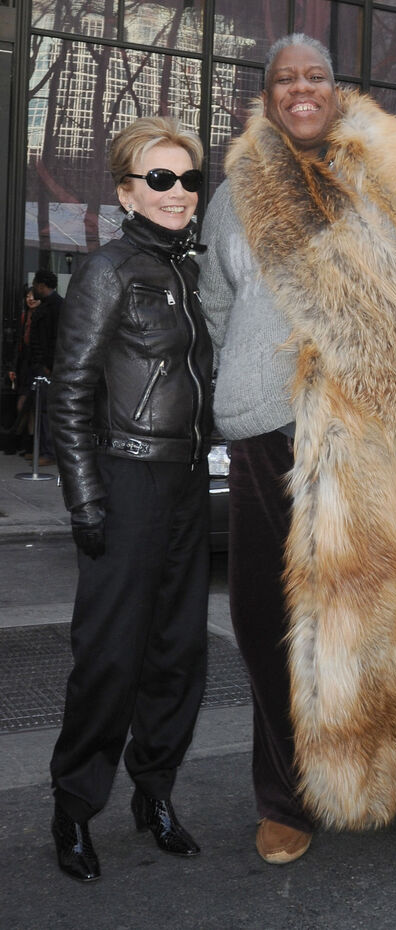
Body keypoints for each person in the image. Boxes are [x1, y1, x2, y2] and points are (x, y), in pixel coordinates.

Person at [198, 33, 396, 865]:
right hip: (266, 440)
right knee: (271, 629)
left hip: (386, 440)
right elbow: (213, 304)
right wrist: (236, 386)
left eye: (314, 77)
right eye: (284, 80)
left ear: (337, 88)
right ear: (267, 93)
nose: (299, 90)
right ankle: (290, 799)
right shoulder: (238, 191)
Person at [48, 116, 213, 882]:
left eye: (187, 179)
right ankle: (74, 810)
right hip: (125, 482)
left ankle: (155, 796)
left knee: (178, 658)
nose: (178, 193)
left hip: (184, 486)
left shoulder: (186, 274)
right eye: (160, 178)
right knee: (110, 661)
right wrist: (85, 501)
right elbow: (71, 392)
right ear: (127, 190)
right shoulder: (108, 270)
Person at [29, 269, 63, 465]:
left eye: (36, 285)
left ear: (42, 285)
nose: (34, 288)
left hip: (48, 366)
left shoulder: (56, 306)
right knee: (41, 409)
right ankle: (41, 449)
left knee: (46, 410)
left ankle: (48, 451)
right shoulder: (51, 305)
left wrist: (50, 364)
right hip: (42, 363)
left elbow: (55, 338)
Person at [5, 286, 41, 455]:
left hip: (36, 366)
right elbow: (17, 346)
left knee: (29, 405)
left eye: (33, 296)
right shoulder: (23, 317)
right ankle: (24, 441)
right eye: (28, 296)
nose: (30, 299)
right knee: (24, 405)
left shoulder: (41, 317)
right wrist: (13, 368)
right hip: (24, 367)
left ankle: (25, 442)